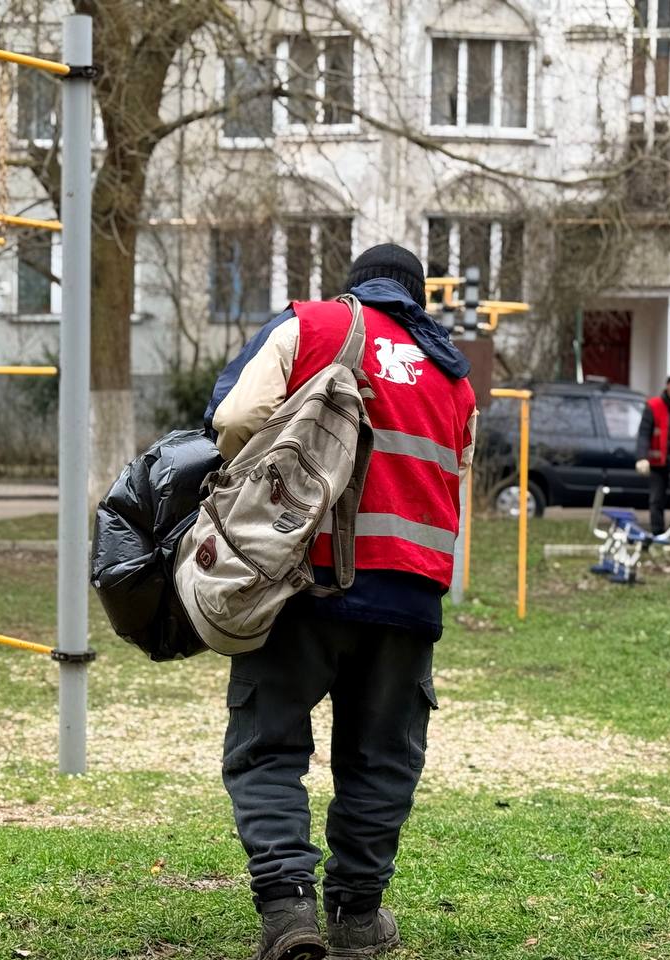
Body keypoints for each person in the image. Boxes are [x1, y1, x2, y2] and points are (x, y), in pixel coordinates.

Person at [204, 244, 476, 960]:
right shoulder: (455, 377)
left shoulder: (312, 327)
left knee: (268, 747)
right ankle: (357, 918)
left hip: (300, 586)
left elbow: (234, 419)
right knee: (382, 758)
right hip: (410, 596)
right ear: (420, 297)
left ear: (353, 287)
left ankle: (288, 912)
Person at [635, 373, 670, 537]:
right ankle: (657, 533)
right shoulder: (653, 406)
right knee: (656, 499)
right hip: (658, 462)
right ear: (667, 386)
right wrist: (642, 457)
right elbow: (644, 434)